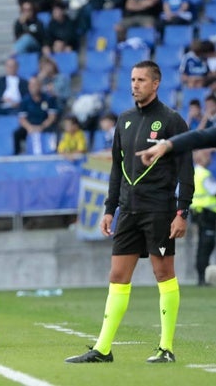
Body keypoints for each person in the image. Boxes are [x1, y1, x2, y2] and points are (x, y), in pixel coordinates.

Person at [65, 60, 194, 364]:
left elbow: (185, 169)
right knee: (117, 275)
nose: (135, 84)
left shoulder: (172, 121)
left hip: (159, 210)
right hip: (129, 211)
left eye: (141, 80)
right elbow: (116, 170)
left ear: (156, 83)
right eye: (133, 79)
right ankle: (103, 348)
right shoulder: (123, 120)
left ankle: (166, 348)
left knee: (163, 273)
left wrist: (182, 211)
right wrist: (110, 208)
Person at [189, 150, 216, 286]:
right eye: (207, 156)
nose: (210, 159)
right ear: (202, 159)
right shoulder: (204, 174)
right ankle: (203, 278)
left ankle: (202, 277)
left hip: (198, 214)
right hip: (208, 214)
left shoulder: (192, 173)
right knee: (206, 246)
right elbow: (214, 190)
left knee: (202, 247)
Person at [14, 76, 59, 155]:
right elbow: (22, 119)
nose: (32, 88)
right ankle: (17, 155)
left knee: (56, 131)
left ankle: (54, 152)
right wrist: (29, 128)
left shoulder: (49, 99)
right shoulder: (25, 100)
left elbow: (52, 117)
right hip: (30, 126)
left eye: (35, 85)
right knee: (17, 134)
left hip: (45, 125)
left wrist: (42, 126)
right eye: (30, 85)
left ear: (40, 86)